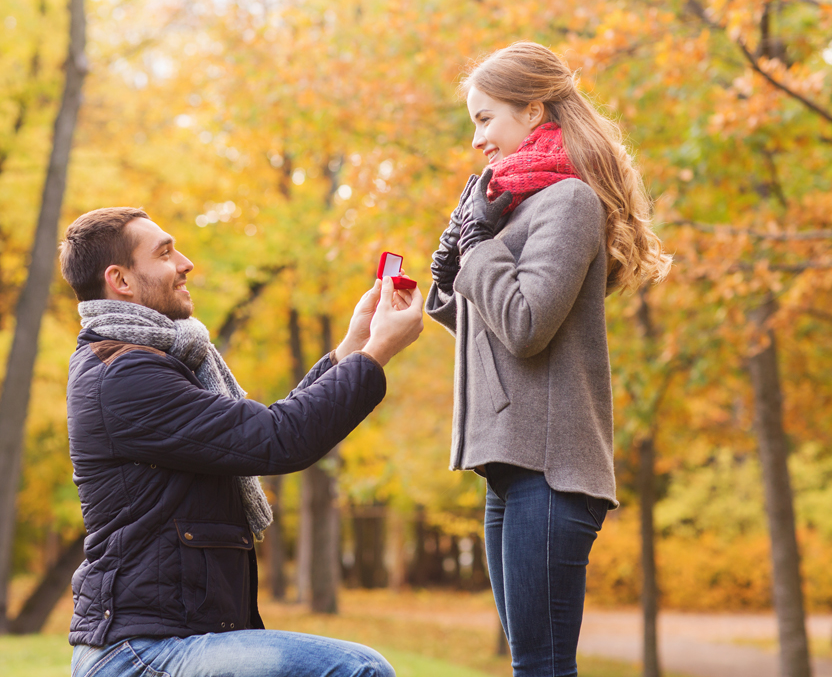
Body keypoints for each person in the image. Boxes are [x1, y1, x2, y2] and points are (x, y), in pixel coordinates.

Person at [59, 206, 423, 677]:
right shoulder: (124, 377)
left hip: (179, 638)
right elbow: (278, 439)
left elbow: (259, 430)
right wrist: (377, 355)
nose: (185, 263)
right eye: (166, 253)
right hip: (139, 653)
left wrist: (354, 346)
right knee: (358, 670)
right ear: (121, 281)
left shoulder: (151, 362)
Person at [426, 42, 671, 677]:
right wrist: (447, 278)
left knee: (542, 667)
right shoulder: (513, 206)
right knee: (529, 664)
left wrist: (477, 247)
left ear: (534, 111)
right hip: (509, 468)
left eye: (486, 118)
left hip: (552, 469)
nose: (477, 139)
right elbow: (495, 341)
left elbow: (527, 327)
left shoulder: (569, 203)